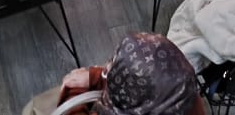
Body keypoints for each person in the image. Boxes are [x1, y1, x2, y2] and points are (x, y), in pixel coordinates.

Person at [21, 32, 202, 115]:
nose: (108, 66)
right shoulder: (183, 95)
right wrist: (98, 77)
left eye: (113, 64)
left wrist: (73, 91)